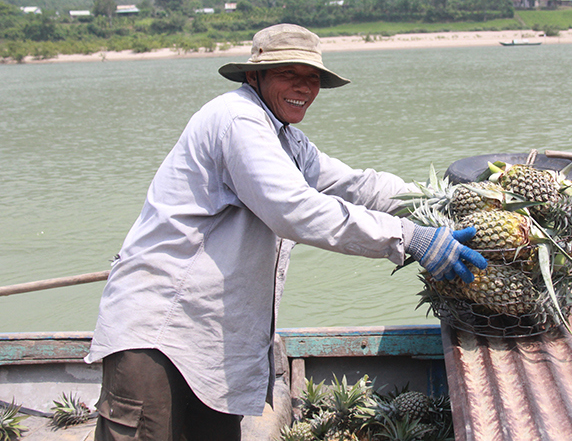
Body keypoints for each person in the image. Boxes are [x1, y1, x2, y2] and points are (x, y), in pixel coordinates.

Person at [85, 23, 487, 440]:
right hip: (159, 332)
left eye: (311, 77)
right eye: (287, 74)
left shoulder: (285, 139)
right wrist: (410, 237)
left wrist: (450, 197)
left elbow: (355, 185)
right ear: (253, 76)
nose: (303, 87)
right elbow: (293, 209)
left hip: (208, 339)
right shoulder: (238, 120)